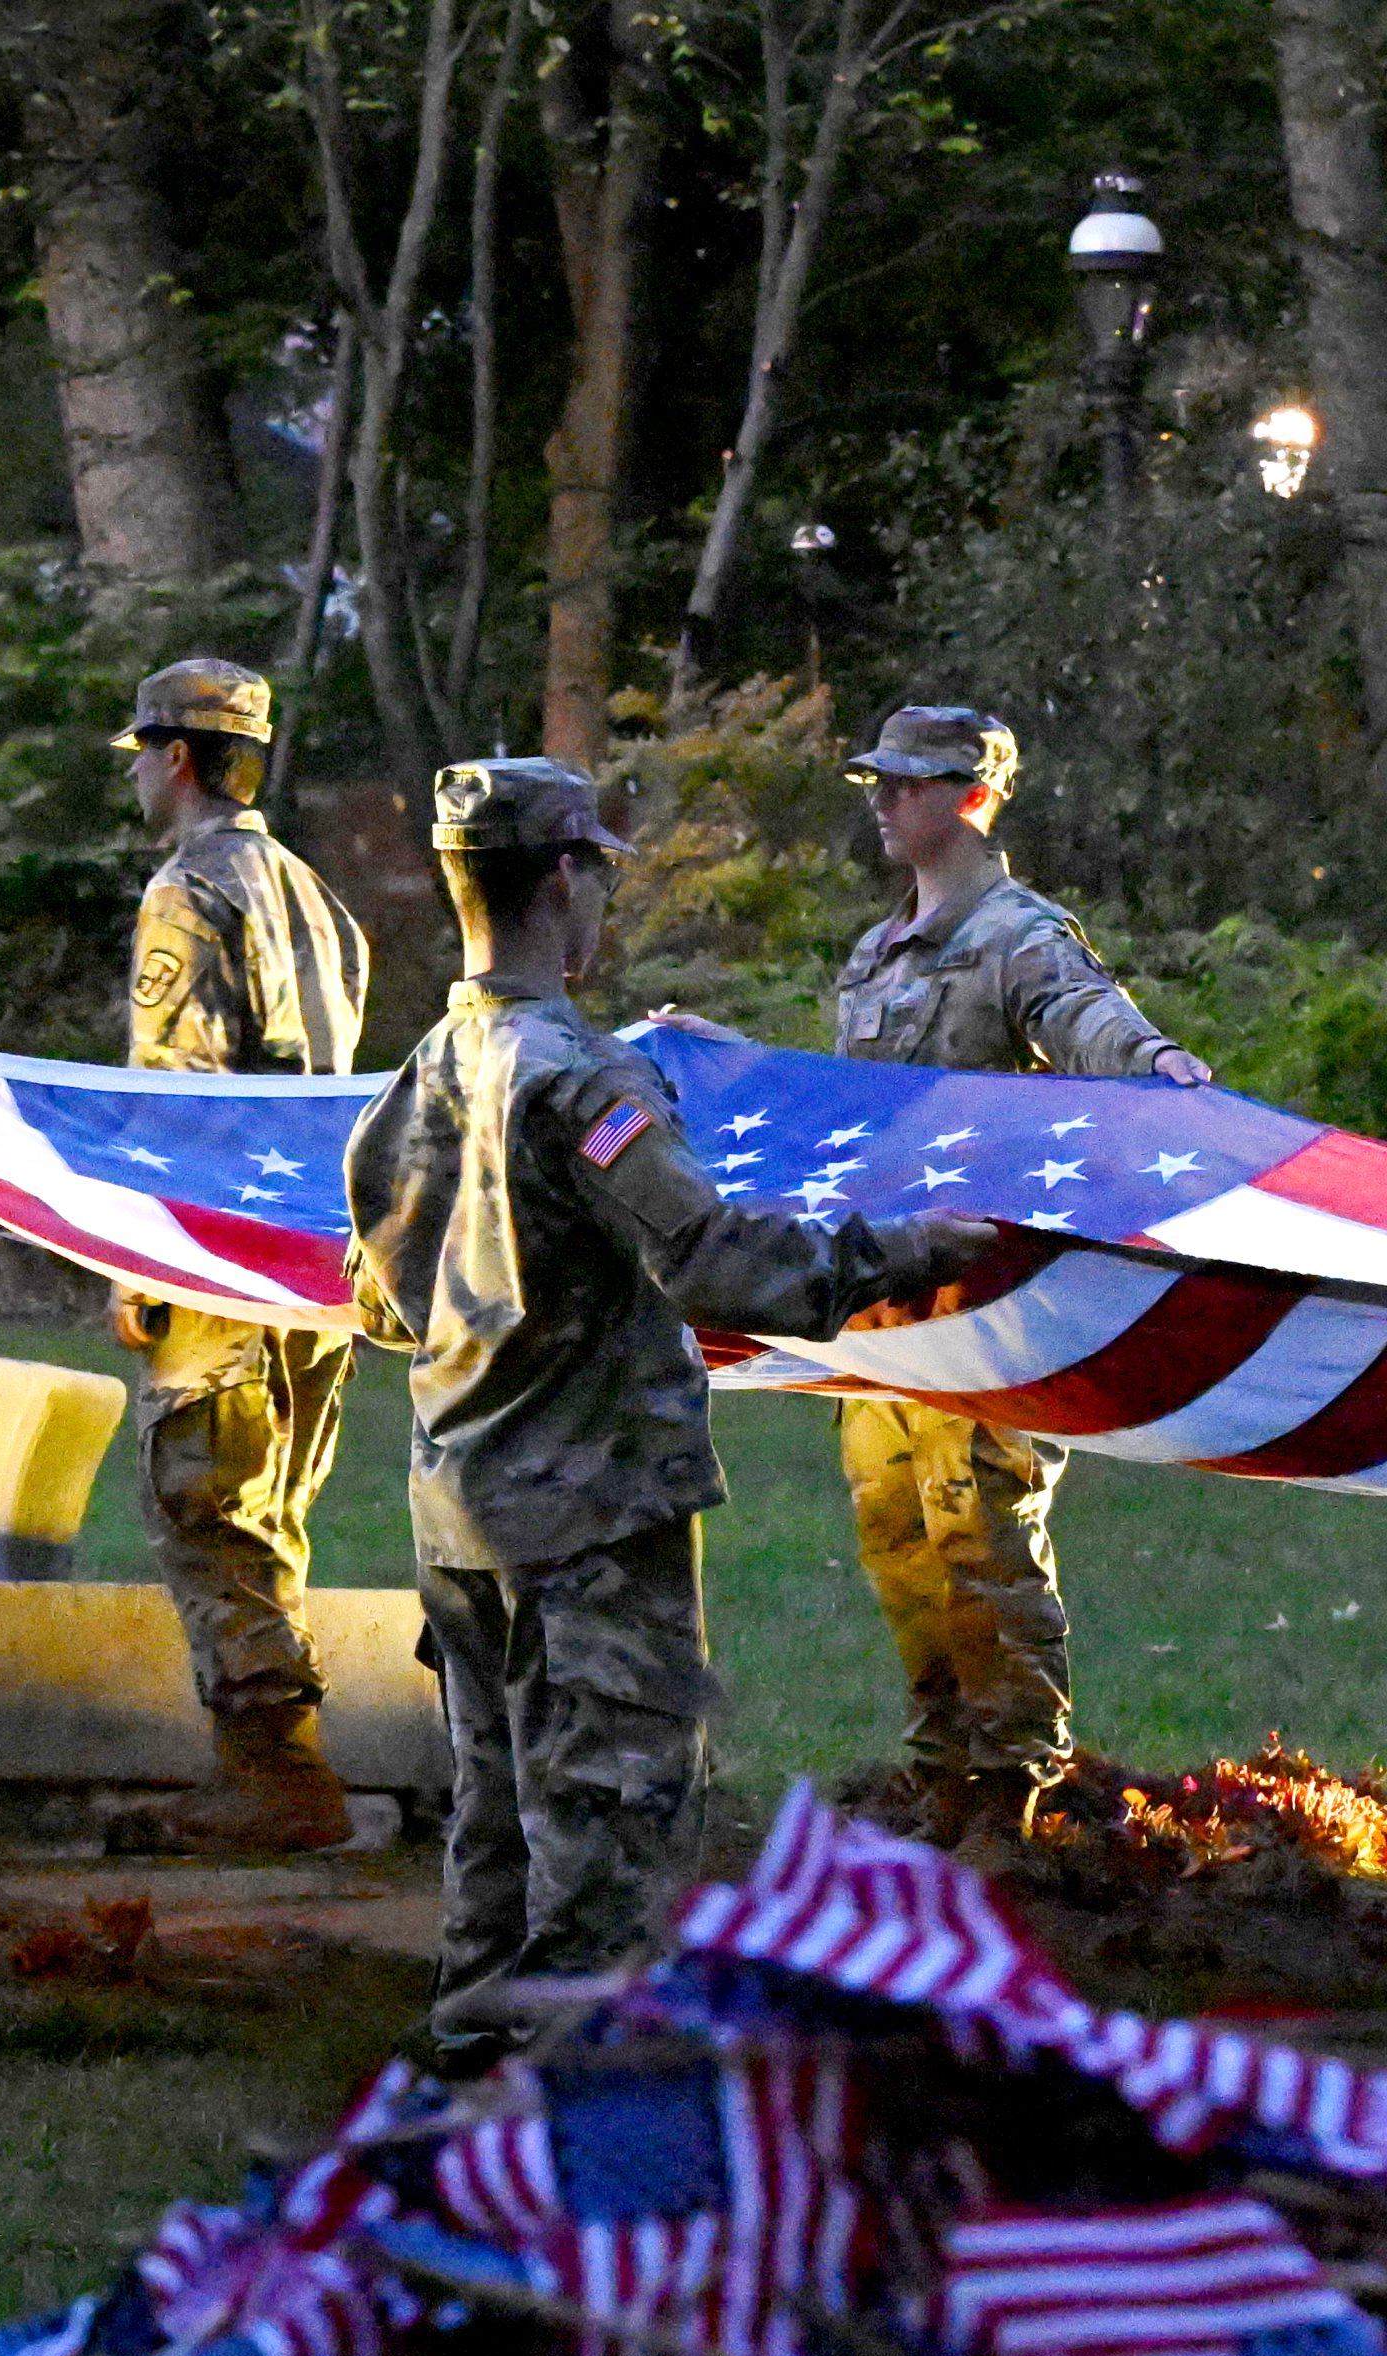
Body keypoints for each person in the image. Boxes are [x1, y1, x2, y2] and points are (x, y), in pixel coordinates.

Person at [344, 756, 996, 2062]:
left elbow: (382, 1289)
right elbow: (713, 1259)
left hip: (460, 1510)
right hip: (588, 1517)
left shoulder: (432, 1062)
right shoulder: (580, 1078)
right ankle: (590, 2137)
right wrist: (915, 1249)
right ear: (567, 878)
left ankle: (471, 2095)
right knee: (610, 1841)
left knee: (497, 1825)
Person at [820, 703, 1213, 1844]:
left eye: (906, 782)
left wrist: (1156, 1066)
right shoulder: (872, 950)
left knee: (984, 1541)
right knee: (897, 1542)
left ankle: (1012, 1802)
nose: (883, 800)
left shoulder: (1015, 932)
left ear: (972, 795)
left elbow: (1081, 1013)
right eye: (877, 782)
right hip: (879, 1304)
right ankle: (942, 1774)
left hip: (980, 1307)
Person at [109, 657, 377, 1851]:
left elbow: (186, 1091)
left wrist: (142, 1257)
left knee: (203, 1498)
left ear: (176, 758)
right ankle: (278, 1758)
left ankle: (274, 1768)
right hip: (322, 1250)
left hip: (222, 1245)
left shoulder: (186, 892)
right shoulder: (317, 896)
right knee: (273, 1504)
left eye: (139, 756)